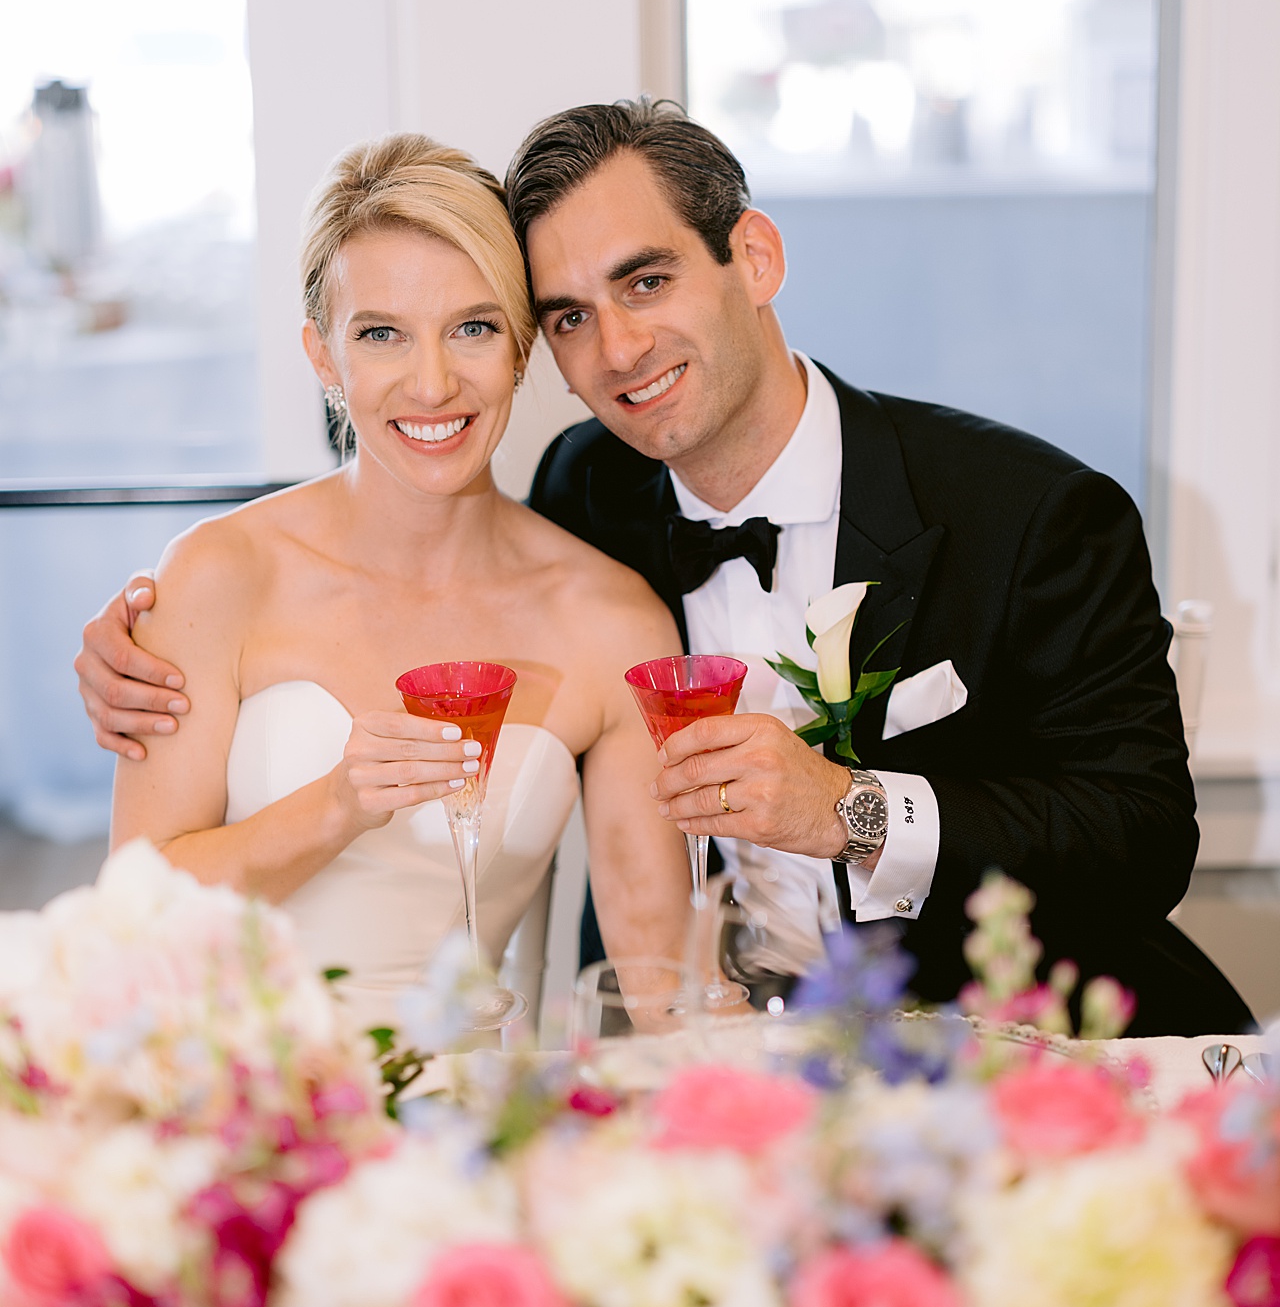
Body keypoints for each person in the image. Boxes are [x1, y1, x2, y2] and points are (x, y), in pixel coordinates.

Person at [81, 101, 1250, 1035]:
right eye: (572, 316)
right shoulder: (594, 493)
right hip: (658, 1042)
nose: (621, 348)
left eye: (645, 282)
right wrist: (141, 643)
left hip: (1008, 1032)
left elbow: (1143, 837)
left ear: (752, 255)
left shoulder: (1032, 513)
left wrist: (846, 809)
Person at [105, 132, 690, 990]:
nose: (431, 385)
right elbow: (126, 917)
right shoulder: (216, 576)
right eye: (381, 334)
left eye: (473, 328)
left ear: (522, 347)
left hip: (481, 1112)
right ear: (322, 357)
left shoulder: (613, 620)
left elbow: (658, 981)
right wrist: (336, 807)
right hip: (232, 1096)